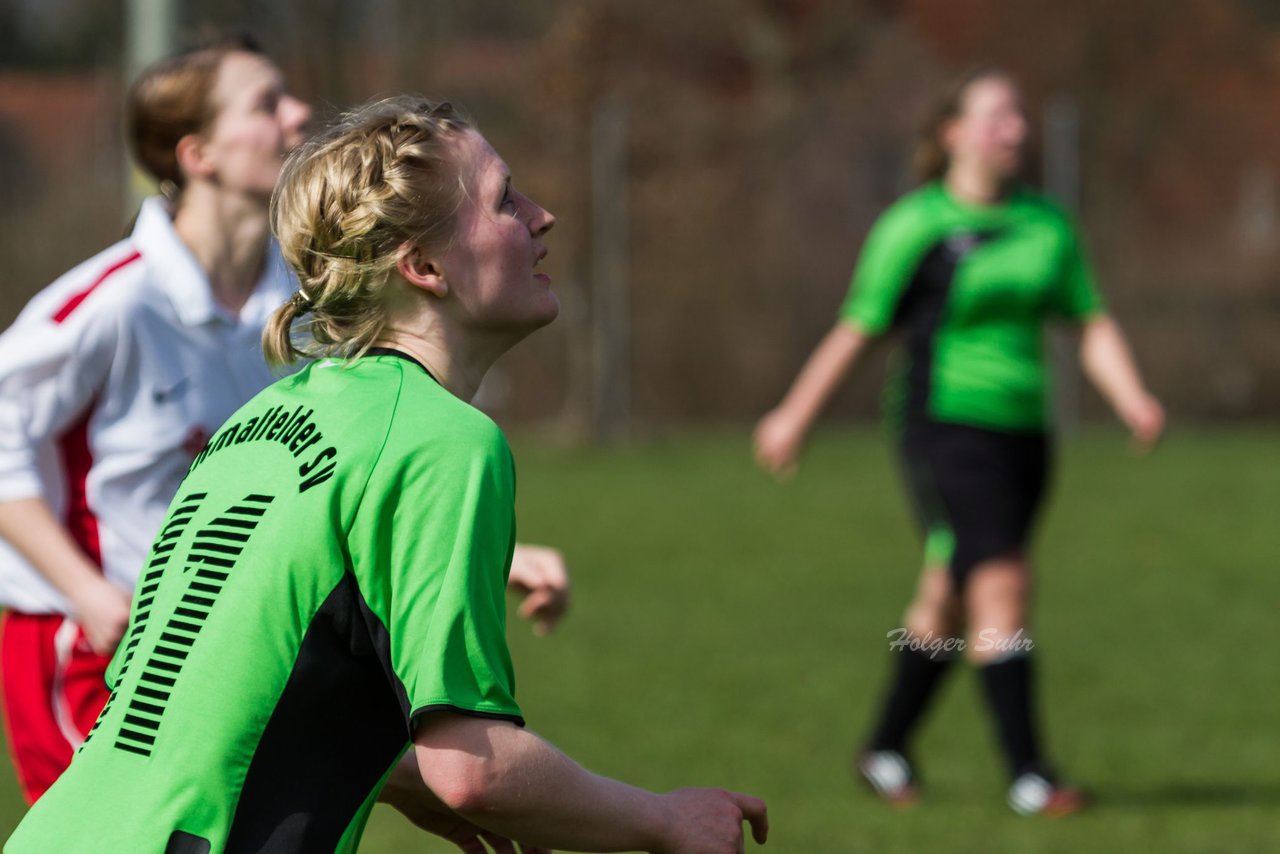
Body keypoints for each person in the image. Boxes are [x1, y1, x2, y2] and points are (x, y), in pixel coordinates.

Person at [7, 95, 770, 853]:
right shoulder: (445, 441)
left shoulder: (262, 419)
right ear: (424, 266)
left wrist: (385, 770)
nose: (542, 217)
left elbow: (224, 693)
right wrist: (666, 820)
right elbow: (472, 768)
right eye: (506, 201)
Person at [0, 35, 568, 807]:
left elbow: (336, 475)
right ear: (197, 154)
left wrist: (480, 548)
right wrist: (91, 595)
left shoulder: (295, 305)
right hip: (88, 644)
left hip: (223, 642)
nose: (297, 113)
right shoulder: (110, 304)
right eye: (265, 103)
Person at [754, 69, 1163, 816]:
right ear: (953, 133)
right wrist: (794, 414)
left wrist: (1132, 398)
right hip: (941, 427)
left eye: (1020, 116)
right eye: (999, 115)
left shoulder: (1048, 225)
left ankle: (885, 747)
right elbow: (860, 327)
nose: (1017, 129)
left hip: (1025, 437)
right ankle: (1031, 776)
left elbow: (1090, 321)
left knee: (947, 597)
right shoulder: (916, 226)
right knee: (1002, 582)